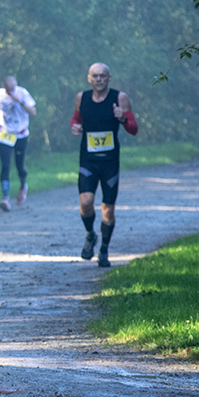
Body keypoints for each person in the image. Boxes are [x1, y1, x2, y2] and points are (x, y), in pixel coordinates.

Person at [70, 62, 138, 267]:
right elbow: (76, 118)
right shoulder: (81, 98)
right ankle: (91, 235)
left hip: (109, 162)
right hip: (88, 160)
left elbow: (134, 129)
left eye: (103, 76)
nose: (99, 79)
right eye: (95, 76)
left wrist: (123, 119)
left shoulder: (120, 98)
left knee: (108, 208)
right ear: (89, 78)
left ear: (109, 78)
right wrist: (75, 127)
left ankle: (104, 250)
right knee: (85, 202)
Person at [0, 76, 37, 211]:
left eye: (13, 89)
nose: (11, 91)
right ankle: (5, 198)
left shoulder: (22, 93)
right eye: (9, 89)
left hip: (21, 134)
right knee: (5, 165)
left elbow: (33, 112)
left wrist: (20, 101)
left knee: (20, 165)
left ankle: (23, 185)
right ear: (4, 86)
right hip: (5, 134)